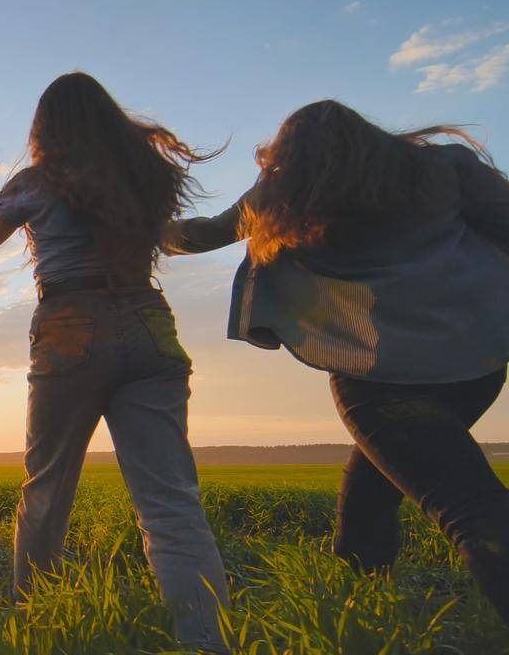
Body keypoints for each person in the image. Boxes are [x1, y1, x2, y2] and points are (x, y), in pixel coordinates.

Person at [169, 99, 509, 624]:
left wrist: (137, 225)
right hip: (475, 366)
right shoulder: (445, 169)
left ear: (290, 155)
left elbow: (201, 235)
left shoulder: (286, 193)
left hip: (379, 382)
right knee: (369, 496)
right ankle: (361, 623)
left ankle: (362, 620)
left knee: (474, 512)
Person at [0, 72, 229, 655]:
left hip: (70, 330)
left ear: (46, 129)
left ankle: (32, 635)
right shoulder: (145, 178)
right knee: (170, 505)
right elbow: (173, 239)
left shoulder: (36, 183)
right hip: (150, 324)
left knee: (47, 490)